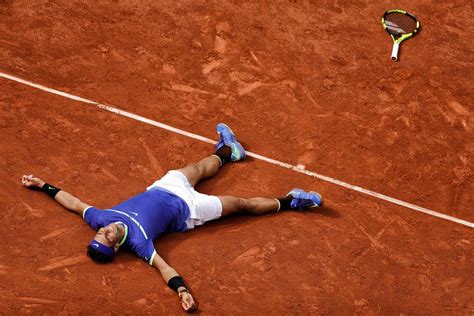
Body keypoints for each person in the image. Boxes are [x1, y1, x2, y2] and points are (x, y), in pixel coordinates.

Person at [21, 123, 323, 313]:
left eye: (101, 232)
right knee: (240, 203)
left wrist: (43, 185)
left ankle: (228, 151)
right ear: (114, 247)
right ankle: (291, 202)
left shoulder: (101, 218)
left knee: (200, 167)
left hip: (165, 187)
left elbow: (73, 203)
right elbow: (165, 268)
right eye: (108, 237)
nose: (107, 230)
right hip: (190, 210)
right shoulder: (140, 244)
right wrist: (182, 291)